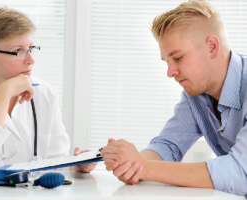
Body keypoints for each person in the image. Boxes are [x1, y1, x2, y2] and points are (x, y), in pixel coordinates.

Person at [101, 0, 247, 197]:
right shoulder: (195, 94)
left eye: (177, 58)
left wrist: (145, 167)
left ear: (212, 47)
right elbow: (168, 145)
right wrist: (130, 164)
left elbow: (240, 173)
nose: (170, 72)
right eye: (166, 62)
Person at [0, 6, 96, 173]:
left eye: (31, 49)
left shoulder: (45, 93)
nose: (31, 60)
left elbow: (55, 161)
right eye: (19, 51)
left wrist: (74, 165)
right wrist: (3, 92)